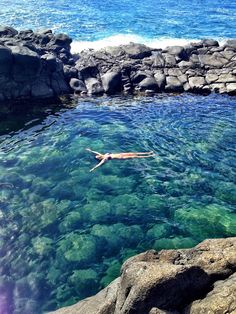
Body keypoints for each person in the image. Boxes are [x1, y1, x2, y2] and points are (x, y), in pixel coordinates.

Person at [86, 148, 155, 172]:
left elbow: (95, 152)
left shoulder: (102, 155)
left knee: (134, 153)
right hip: (121, 158)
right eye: (97, 156)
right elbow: (99, 165)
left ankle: (148, 152)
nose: (97, 155)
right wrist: (93, 169)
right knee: (135, 156)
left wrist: (90, 150)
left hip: (121, 154)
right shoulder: (104, 159)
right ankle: (149, 156)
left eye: (97, 155)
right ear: (99, 158)